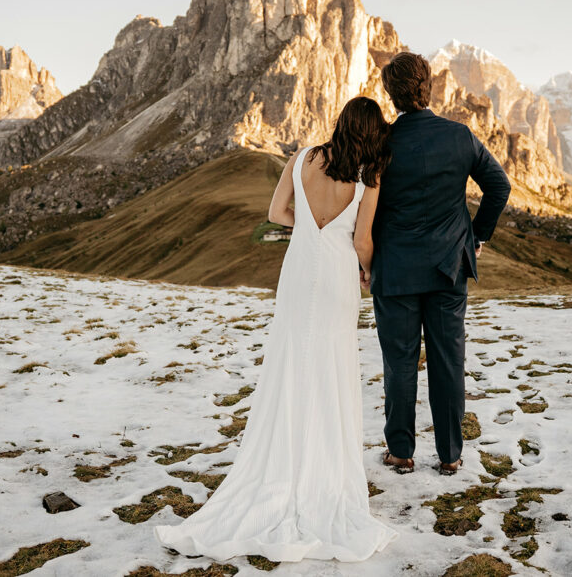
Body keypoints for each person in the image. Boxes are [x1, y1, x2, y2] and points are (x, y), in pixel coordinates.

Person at [153, 96, 399, 562]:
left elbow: (276, 214)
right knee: (331, 369)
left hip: (299, 268)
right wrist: (365, 270)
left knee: (290, 363)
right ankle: (321, 474)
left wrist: (309, 227)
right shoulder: (370, 177)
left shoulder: (302, 157)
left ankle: (281, 463)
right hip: (336, 276)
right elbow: (364, 240)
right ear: (371, 134)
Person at [371, 51, 511, 476]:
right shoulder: (459, 136)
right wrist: (478, 236)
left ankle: (401, 453)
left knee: (399, 362)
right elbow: (499, 187)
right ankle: (450, 454)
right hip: (449, 267)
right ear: (427, 86)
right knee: (448, 361)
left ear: (390, 95)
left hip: (394, 271)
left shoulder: (380, 144)